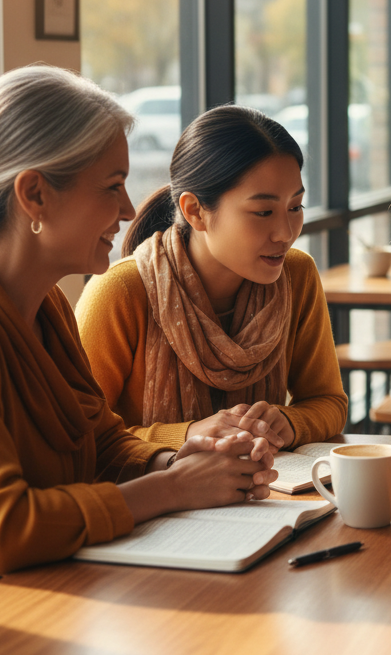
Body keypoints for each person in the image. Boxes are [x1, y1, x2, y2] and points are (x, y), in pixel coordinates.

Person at [0, 66, 278, 578]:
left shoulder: (47, 305)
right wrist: (173, 489)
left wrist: (175, 462)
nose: (126, 209)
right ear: (34, 195)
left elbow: (99, 442)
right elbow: (4, 529)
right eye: (112, 186)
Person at [76, 105, 347, 453]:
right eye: (263, 212)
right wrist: (188, 435)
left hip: (265, 498)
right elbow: (82, 437)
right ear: (195, 211)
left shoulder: (297, 275)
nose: (285, 233)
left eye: (295, 207)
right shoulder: (120, 292)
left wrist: (289, 422)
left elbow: (329, 401)